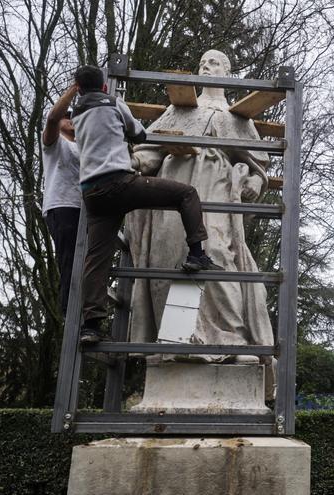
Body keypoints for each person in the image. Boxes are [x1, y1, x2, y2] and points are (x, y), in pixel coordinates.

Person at [125, 49, 271, 361]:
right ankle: (179, 337)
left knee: (215, 250)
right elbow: (154, 149)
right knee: (175, 255)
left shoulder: (235, 116)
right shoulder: (179, 109)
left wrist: (255, 180)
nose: (206, 66)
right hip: (174, 185)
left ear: (226, 72)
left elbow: (257, 163)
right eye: (202, 62)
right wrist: (135, 159)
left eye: (214, 63)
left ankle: (230, 338)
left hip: (214, 187)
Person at [71, 64, 222, 343]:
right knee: (186, 194)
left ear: (78, 89)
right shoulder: (115, 103)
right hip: (121, 183)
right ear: (104, 86)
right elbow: (139, 134)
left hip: (92, 193)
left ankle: (90, 326)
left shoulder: (77, 112)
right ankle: (197, 254)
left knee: (96, 260)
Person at [41, 84, 81, 315]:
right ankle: (69, 312)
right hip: (62, 205)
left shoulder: (82, 146)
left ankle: (81, 311)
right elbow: (52, 117)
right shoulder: (54, 142)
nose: (71, 120)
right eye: (67, 117)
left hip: (82, 208)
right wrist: (74, 89)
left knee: (83, 262)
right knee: (68, 259)